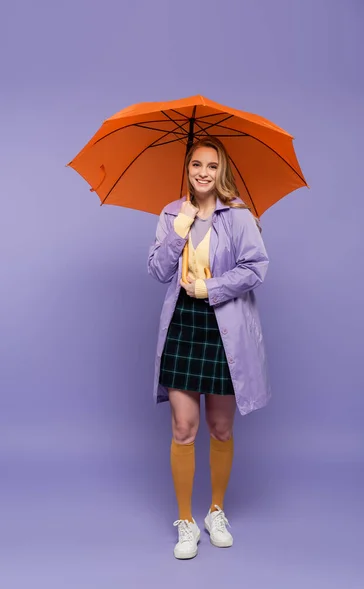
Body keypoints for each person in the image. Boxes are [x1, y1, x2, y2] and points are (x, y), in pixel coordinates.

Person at [148, 136, 271, 560]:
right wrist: (178, 230)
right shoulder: (170, 213)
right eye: (196, 164)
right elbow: (157, 270)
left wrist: (211, 286)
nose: (203, 172)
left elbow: (256, 267)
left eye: (212, 166)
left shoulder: (237, 216)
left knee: (221, 428)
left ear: (222, 172)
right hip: (183, 325)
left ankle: (215, 511)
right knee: (184, 429)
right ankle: (186, 521)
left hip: (225, 328)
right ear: (187, 167)